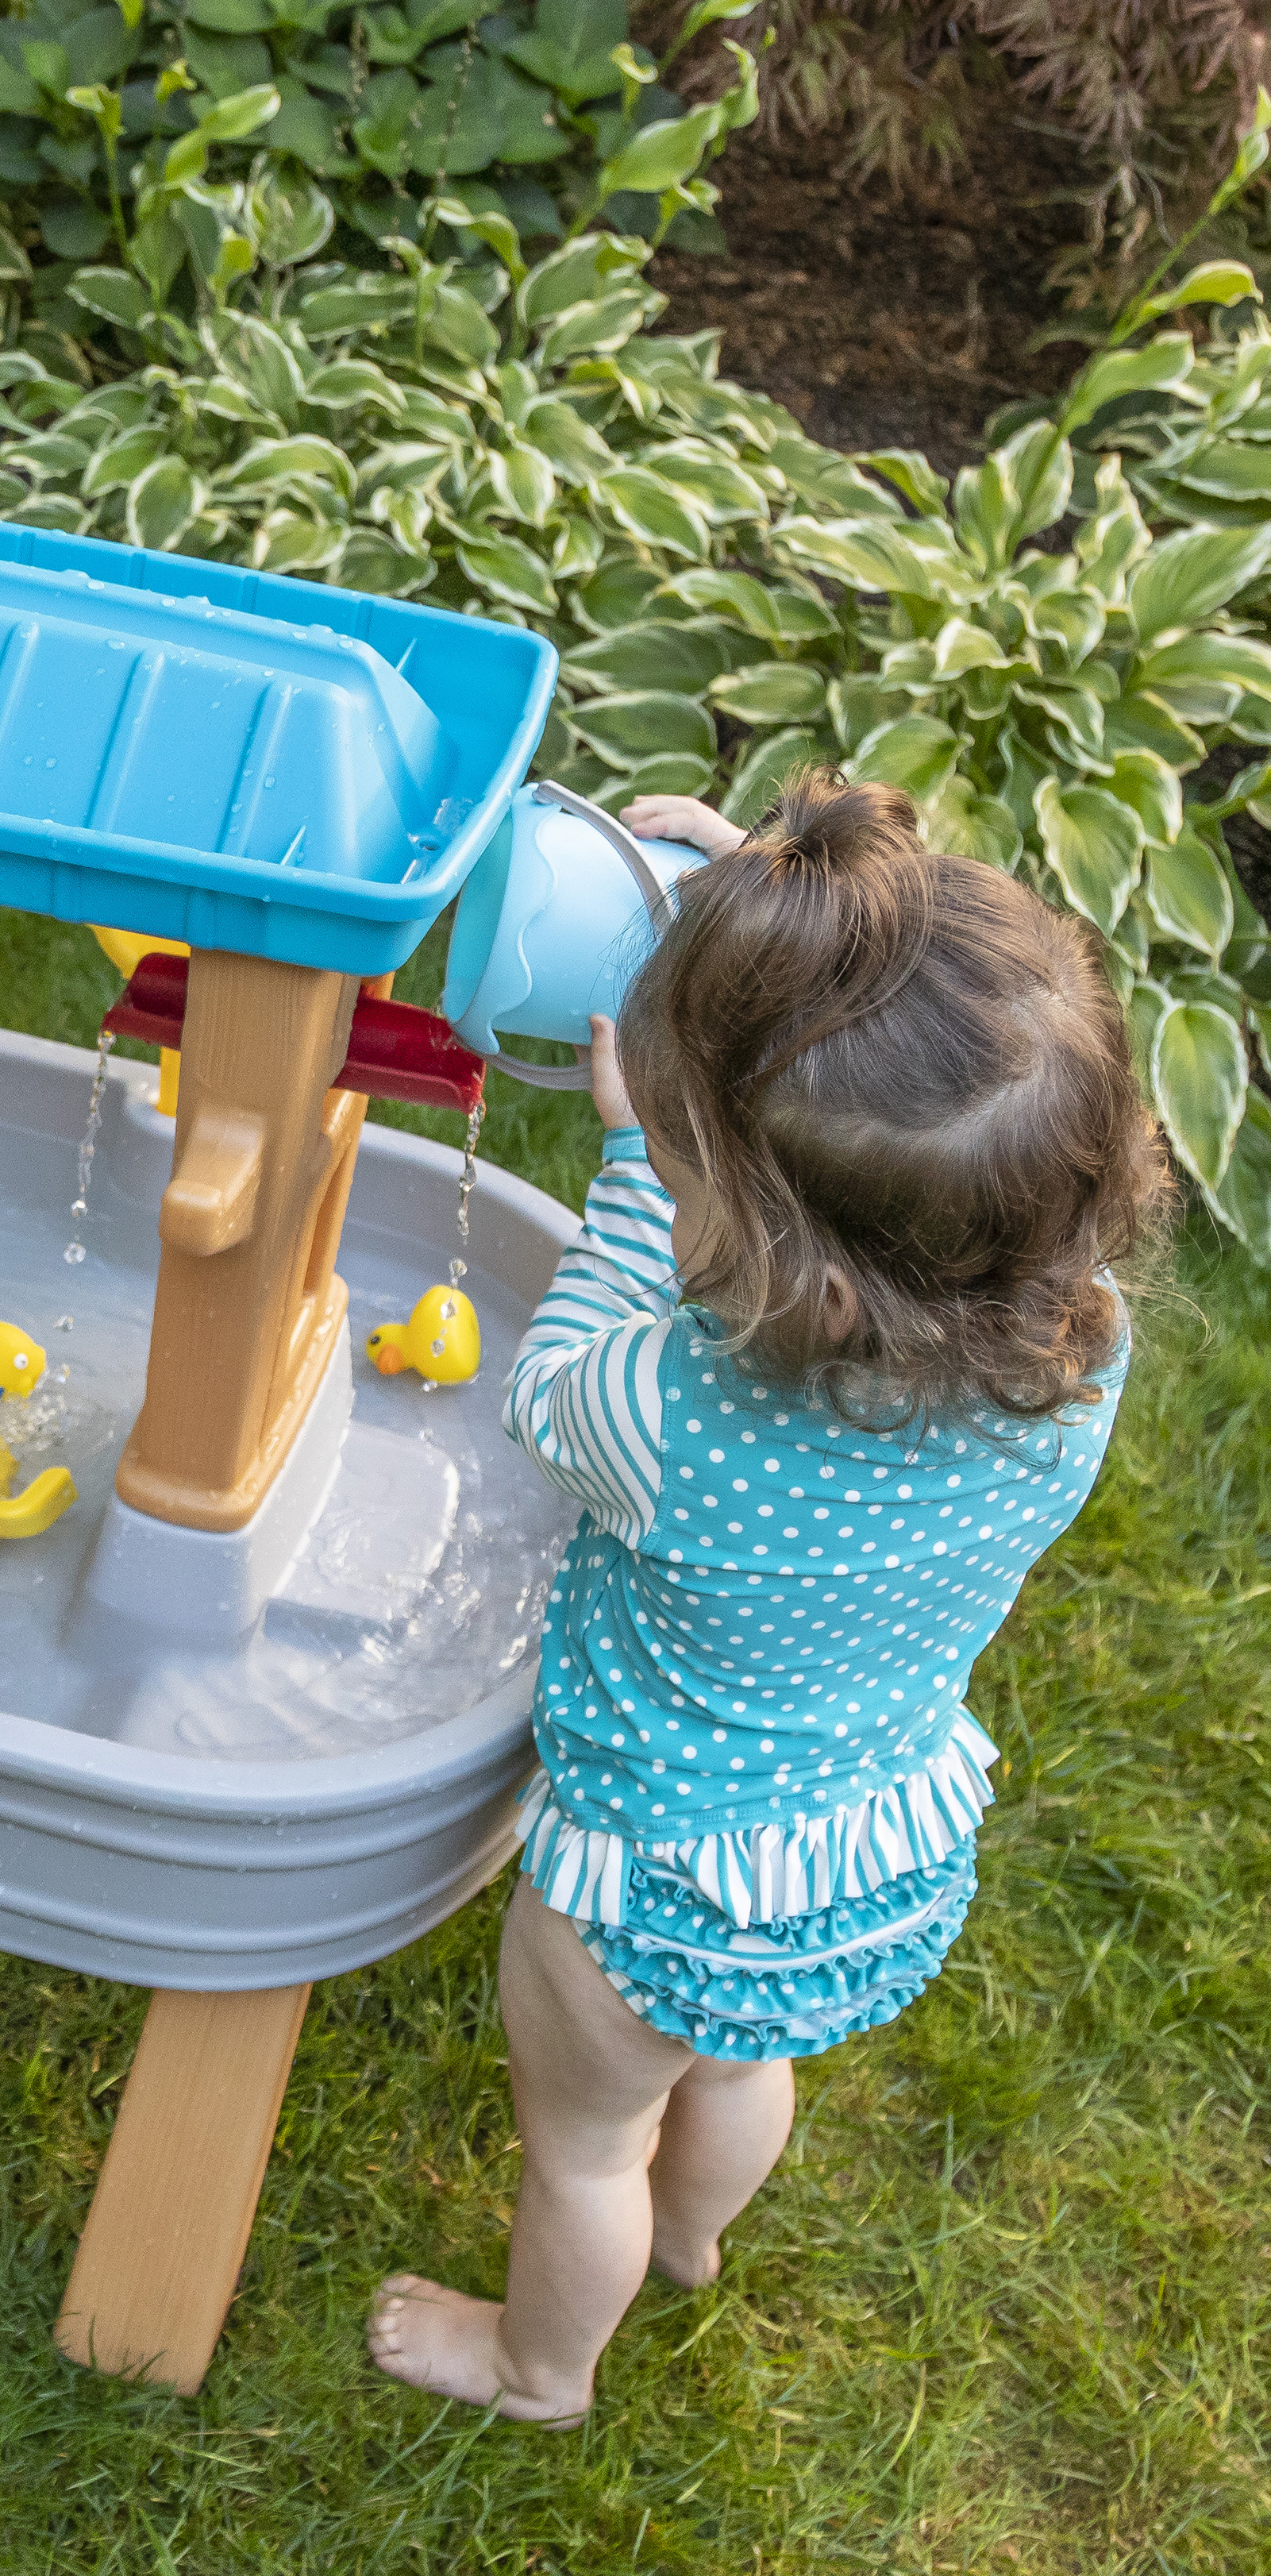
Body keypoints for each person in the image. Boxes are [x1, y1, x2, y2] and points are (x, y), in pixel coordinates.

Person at [368, 771, 1170, 2424]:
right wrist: (757, 911)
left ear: (729, 1211)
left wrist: (619, 1157)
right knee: (741, 2059)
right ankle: (693, 2245)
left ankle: (531, 2366)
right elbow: (906, 1094)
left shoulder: (653, 1420)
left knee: (582, 2137)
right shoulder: (1082, 1358)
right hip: (870, 1843)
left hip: (651, 1878)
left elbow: (554, 1384)